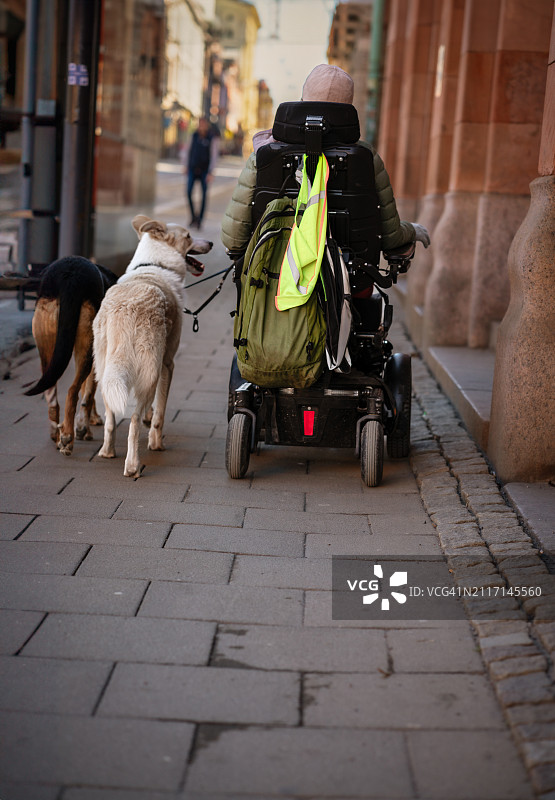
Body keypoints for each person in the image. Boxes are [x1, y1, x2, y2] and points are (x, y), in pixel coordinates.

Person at [221, 64, 430, 255]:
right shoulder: (366, 157)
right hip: (351, 278)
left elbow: (233, 238)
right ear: (347, 109)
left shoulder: (264, 154)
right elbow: (390, 236)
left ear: (303, 100)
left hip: (271, 277)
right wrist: (412, 230)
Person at [185, 117, 219, 229]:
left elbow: (214, 155)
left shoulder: (211, 137)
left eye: (203, 124)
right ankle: (193, 217)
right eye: (200, 124)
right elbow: (188, 150)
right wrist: (186, 165)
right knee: (188, 192)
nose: (201, 126)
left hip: (205, 171)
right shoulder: (194, 136)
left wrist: (211, 172)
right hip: (192, 169)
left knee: (204, 196)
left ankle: (200, 220)